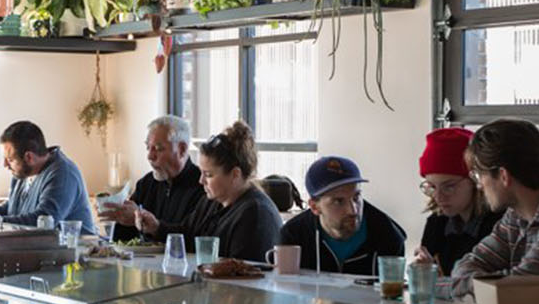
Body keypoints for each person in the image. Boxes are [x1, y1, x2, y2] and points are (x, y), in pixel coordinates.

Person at [450, 118, 539, 297]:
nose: (479, 186)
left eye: (479, 175)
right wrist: (478, 284)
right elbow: (466, 266)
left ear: (503, 176)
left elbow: (524, 286)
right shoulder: (515, 214)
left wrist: (464, 285)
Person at [139, 121, 281, 262]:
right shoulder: (211, 201)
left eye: (208, 175)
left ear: (235, 175)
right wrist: (156, 227)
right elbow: (187, 233)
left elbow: (244, 273)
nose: (201, 181)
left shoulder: (256, 213)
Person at [278, 155, 405, 275]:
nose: (353, 210)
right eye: (339, 201)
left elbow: (393, 296)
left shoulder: (389, 237)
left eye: (356, 197)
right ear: (314, 207)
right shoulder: (293, 237)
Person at [0, 120, 95, 233]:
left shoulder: (62, 174)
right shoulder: (22, 173)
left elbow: (42, 222)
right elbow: (11, 208)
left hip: (77, 253)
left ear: (29, 157)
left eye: (9, 159)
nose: (5, 165)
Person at [101, 115, 205, 242]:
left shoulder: (203, 185)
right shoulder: (146, 184)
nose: (150, 156)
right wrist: (118, 218)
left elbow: (195, 237)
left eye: (158, 148)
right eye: (148, 148)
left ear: (182, 149)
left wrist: (156, 228)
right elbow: (124, 240)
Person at [414, 128, 502, 276]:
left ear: (475, 181)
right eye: (432, 187)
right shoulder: (437, 223)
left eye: (449, 186)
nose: (438, 197)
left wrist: (437, 277)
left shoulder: (500, 226)